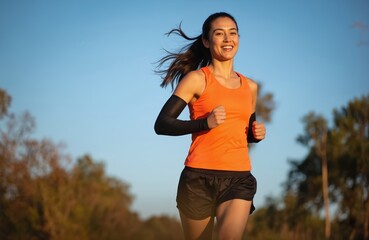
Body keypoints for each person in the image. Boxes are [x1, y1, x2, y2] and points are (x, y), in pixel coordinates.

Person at [154, 12, 266, 240]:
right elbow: (162, 124)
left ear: (239, 39)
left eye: (232, 33)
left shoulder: (251, 87)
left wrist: (255, 135)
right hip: (197, 178)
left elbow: (243, 132)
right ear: (206, 41)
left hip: (238, 178)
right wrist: (204, 123)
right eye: (219, 33)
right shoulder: (197, 79)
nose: (228, 39)